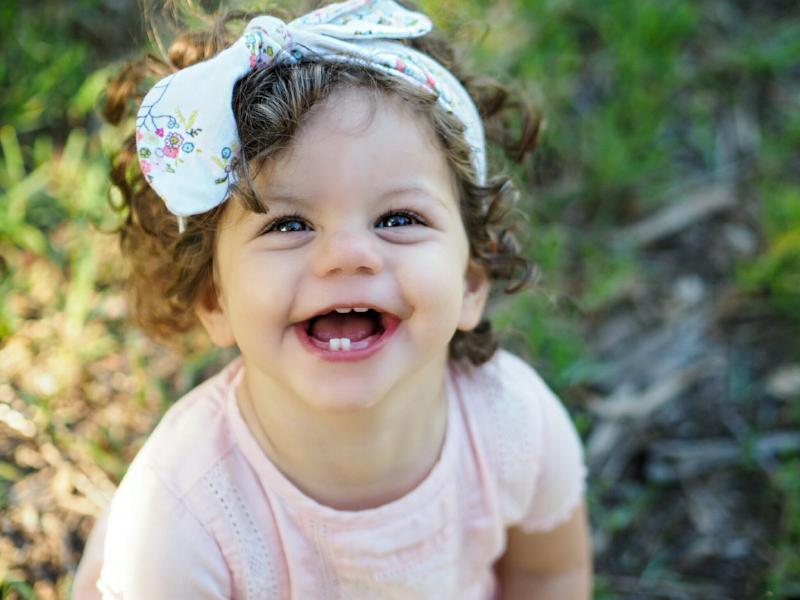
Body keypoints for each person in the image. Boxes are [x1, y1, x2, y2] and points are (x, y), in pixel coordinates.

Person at [73, 0, 591, 597]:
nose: (348, 254)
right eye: (288, 225)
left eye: (398, 217)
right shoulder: (180, 519)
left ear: (472, 282)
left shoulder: (514, 426)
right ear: (214, 298)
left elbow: (548, 575)